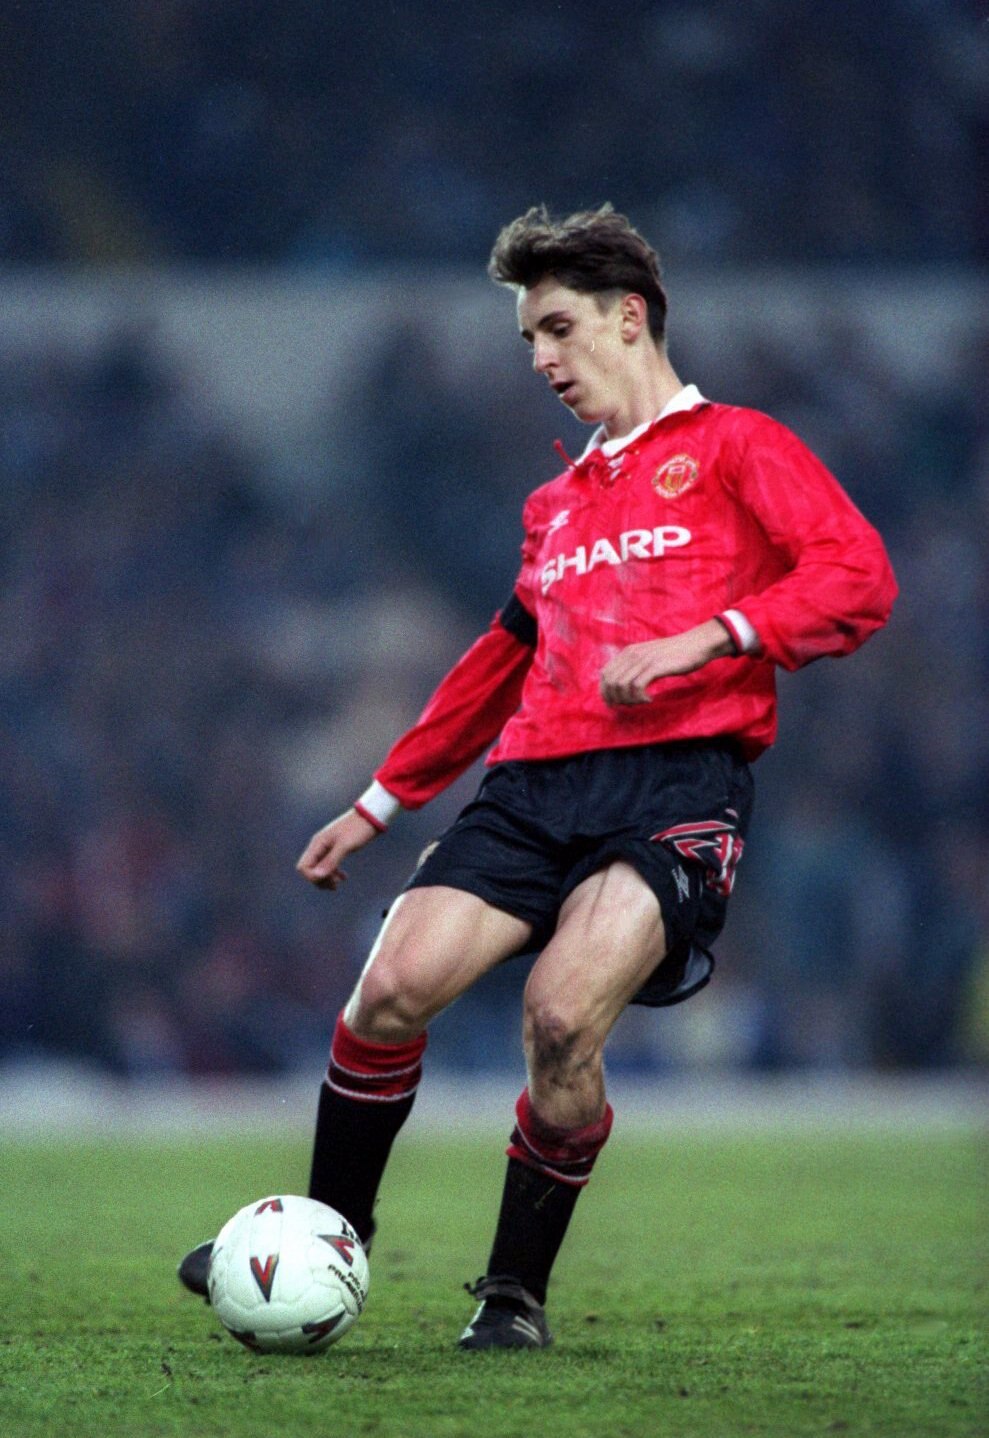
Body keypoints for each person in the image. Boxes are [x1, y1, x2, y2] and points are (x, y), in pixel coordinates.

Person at [179, 204, 897, 1349]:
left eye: (556, 328)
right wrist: (378, 802)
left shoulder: (736, 446)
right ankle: (325, 1236)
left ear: (629, 317)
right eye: (527, 340)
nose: (540, 359)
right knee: (387, 989)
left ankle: (512, 1292)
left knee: (560, 1019)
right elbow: (498, 659)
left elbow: (855, 577)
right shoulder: (554, 505)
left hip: (674, 785)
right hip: (529, 790)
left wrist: (710, 636)